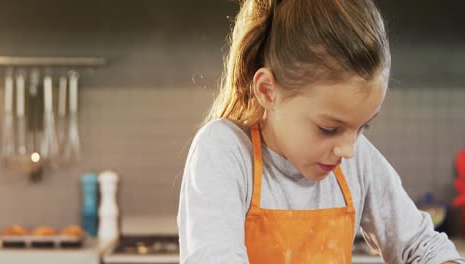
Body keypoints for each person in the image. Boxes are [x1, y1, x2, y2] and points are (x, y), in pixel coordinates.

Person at [177, 0, 465, 263]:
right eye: (329, 129)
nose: (348, 150)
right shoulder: (224, 152)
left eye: (363, 127)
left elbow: (422, 245)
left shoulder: (357, 160)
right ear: (268, 91)